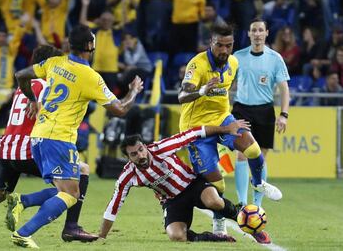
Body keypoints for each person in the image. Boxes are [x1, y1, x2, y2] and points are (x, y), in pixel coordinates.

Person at [11, 24, 143, 248]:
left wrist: (32, 99)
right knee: (71, 194)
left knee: (73, 180)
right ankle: (24, 232)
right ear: (90, 46)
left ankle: (25, 203)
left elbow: (20, 75)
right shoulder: (90, 77)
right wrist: (133, 91)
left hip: (39, 135)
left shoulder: (55, 62)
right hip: (59, 138)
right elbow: (120, 109)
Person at [0, 45, 97, 242]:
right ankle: (69, 226)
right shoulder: (47, 86)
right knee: (77, 178)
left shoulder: (22, 87)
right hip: (28, 149)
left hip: (7, 148)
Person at [177, 23, 282, 244]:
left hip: (223, 119)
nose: (224, 50)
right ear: (211, 43)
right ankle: (219, 224)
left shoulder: (233, 62)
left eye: (229, 45)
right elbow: (182, 95)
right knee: (219, 185)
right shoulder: (197, 64)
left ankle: (258, 182)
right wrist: (203, 90)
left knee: (253, 149)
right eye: (219, 45)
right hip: (196, 129)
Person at [99, 120, 250, 242]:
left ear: (145, 147)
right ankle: (210, 237)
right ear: (128, 158)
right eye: (134, 154)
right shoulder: (128, 175)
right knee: (176, 236)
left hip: (193, 185)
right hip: (172, 200)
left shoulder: (162, 148)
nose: (140, 155)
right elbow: (114, 205)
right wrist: (102, 236)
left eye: (141, 150)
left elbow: (193, 133)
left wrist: (225, 129)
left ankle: (241, 215)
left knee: (214, 202)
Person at [232, 18, 290, 243]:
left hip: (265, 111)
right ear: (248, 34)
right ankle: (241, 203)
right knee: (241, 154)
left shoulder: (275, 59)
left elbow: (284, 88)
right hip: (242, 111)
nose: (257, 34)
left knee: (261, 158)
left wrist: (284, 115)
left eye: (260, 30)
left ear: (266, 33)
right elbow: (227, 83)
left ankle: (256, 206)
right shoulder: (237, 57)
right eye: (253, 30)